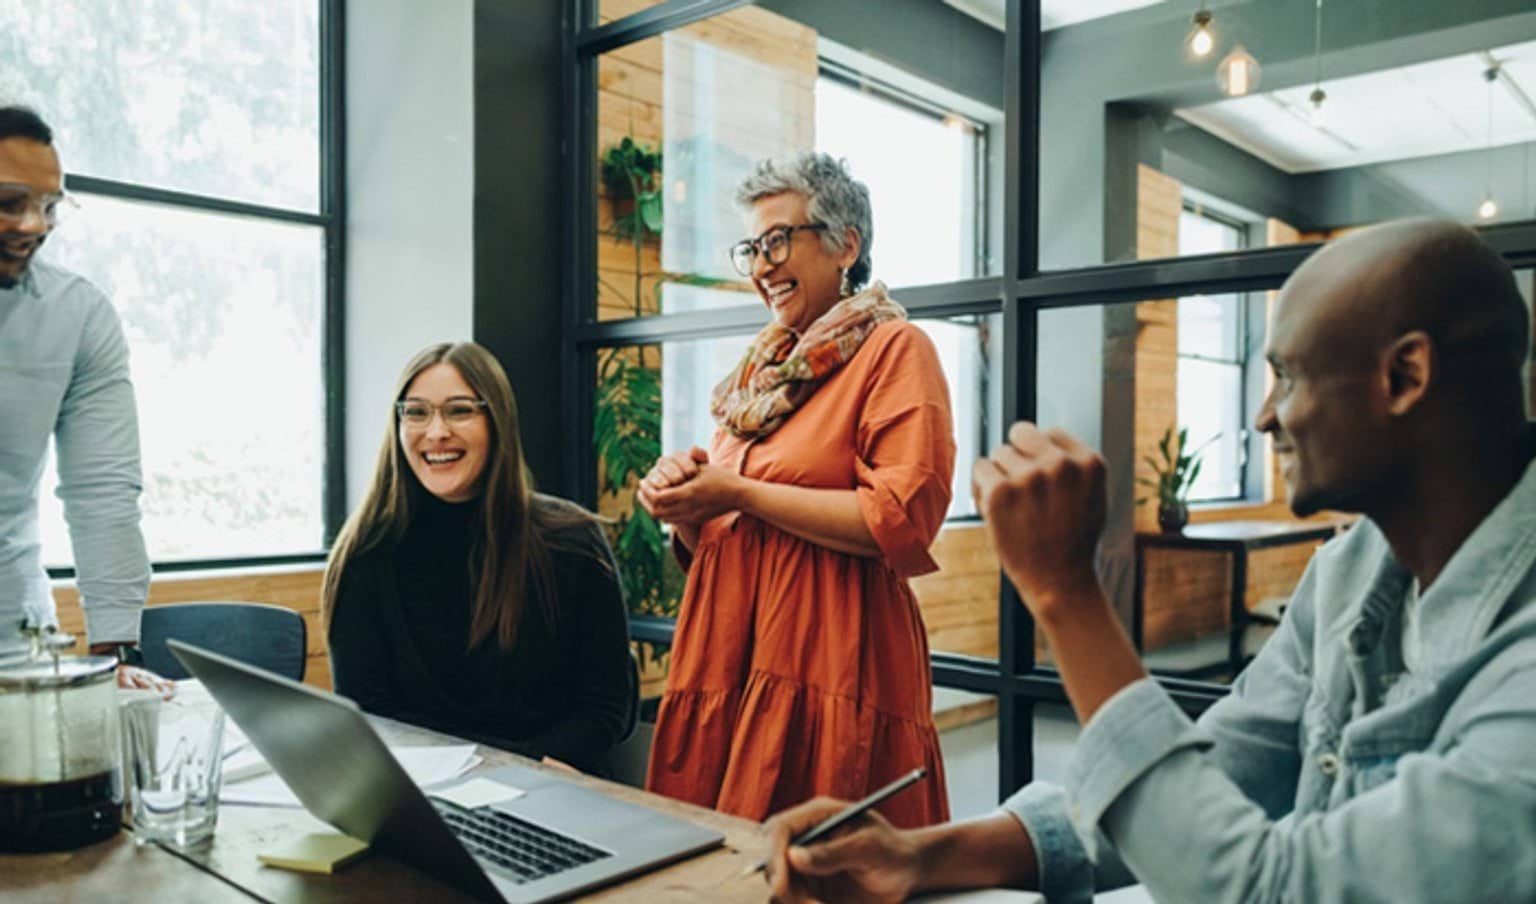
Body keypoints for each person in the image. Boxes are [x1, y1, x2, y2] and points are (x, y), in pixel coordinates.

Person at [762, 219, 1536, 903]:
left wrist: (1067, 594)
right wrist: (920, 855)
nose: (1265, 416)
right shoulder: (1350, 571)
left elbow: (1269, 886)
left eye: (1289, 376)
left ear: (1406, 377)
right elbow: (1217, 777)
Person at [640, 152, 955, 827]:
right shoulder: (758, 377)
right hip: (727, 656)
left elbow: (898, 519)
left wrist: (738, 493)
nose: (761, 265)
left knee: (824, 865)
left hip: (832, 662)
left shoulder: (896, 350)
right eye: (752, 247)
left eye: (780, 239)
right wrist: (686, 505)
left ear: (847, 245)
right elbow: (719, 541)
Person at [324, 342, 635, 777]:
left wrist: (525, 770)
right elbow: (371, 714)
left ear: (498, 422)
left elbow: (606, 707)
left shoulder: (571, 539)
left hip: (554, 785)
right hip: (424, 793)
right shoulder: (365, 551)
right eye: (416, 412)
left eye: (459, 411)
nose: (435, 432)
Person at [0, 105, 163, 691]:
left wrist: (115, 653)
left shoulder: (78, 315)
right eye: (9, 202)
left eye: (48, 206)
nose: (32, 225)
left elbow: (104, 493)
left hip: (14, 646)